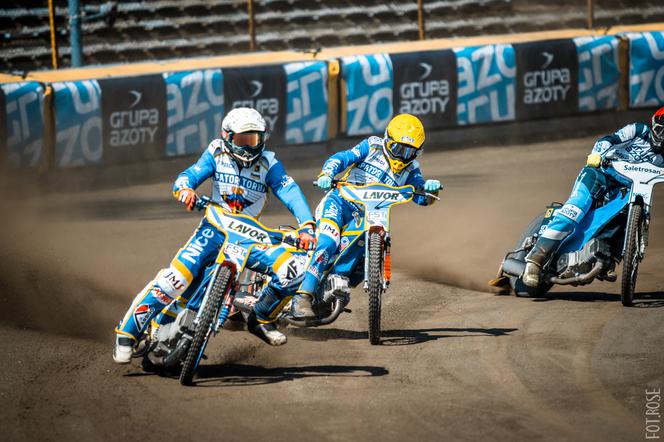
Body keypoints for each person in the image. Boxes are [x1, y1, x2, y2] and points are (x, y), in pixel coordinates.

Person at [113, 107, 316, 364]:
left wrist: (307, 224)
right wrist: (185, 189)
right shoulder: (216, 153)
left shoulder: (269, 163)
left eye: (255, 139)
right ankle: (127, 334)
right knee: (175, 279)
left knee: (294, 270)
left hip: (251, 236)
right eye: (244, 139)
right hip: (214, 229)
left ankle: (260, 318)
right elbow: (190, 175)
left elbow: (290, 190)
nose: (250, 147)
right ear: (227, 136)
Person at [290, 113, 442, 318]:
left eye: (410, 152)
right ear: (388, 140)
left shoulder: (412, 169)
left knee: (362, 262)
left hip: (370, 216)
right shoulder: (372, 146)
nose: (402, 156)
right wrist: (327, 174)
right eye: (398, 149)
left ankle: (332, 291)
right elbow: (343, 157)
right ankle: (303, 296)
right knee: (327, 242)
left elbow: (422, 197)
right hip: (340, 202)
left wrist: (430, 190)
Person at [522, 106, 664, 287]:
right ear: (654, 127)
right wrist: (597, 155)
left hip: (628, 189)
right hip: (602, 173)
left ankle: (608, 257)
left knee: (626, 215)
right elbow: (608, 139)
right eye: (662, 131)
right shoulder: (637, 130)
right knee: (575, 209)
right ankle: (534, 261)